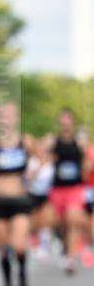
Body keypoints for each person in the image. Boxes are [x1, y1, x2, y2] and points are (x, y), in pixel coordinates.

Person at [0, 102, 34, 286]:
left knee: (18, 245)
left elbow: (42, 158)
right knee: (3, 246)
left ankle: (22, 271)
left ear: (16, 118)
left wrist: (33, 173)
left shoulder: (25, 141)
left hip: (20, 199)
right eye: (3, 115)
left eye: (10, 115)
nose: (7, 119)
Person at [47, 108, 91, 273]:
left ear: (72, 122)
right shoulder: (54, 141)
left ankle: (70, 259)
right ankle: (64, 246)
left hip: (74, 187)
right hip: (57, 188)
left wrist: (85, 167)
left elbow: (86, 164)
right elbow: (45, 157)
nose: (65, 123)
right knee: (59, 222)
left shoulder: (79, 143)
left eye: (68, 120)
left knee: (73, 220)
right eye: (62, 120)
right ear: (59, 122)